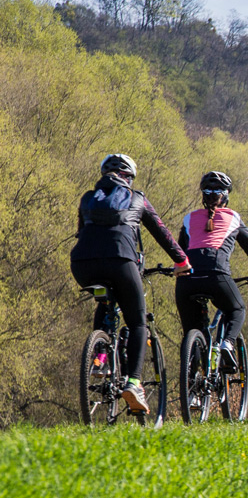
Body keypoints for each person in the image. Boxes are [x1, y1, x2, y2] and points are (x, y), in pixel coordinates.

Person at [71, 154, 192, 412]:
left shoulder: (88, 198)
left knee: (105, 302)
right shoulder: (137, 198)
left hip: (82, 265)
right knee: (137, 322)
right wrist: (182, 261)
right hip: (121, 261)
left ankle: (100, 359)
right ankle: (134, 384)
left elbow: (81, 232)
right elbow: (162, 233)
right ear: (129, 178)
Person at [175, 172, 248, 371]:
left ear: (203, 197)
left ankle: (192, 381)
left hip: (187, 281)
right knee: (237, 309)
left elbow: (179, 253)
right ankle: (227, 343)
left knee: (191, 332)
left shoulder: (189, 218)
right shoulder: (233, 218)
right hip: (216, 275)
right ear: (225, 196)